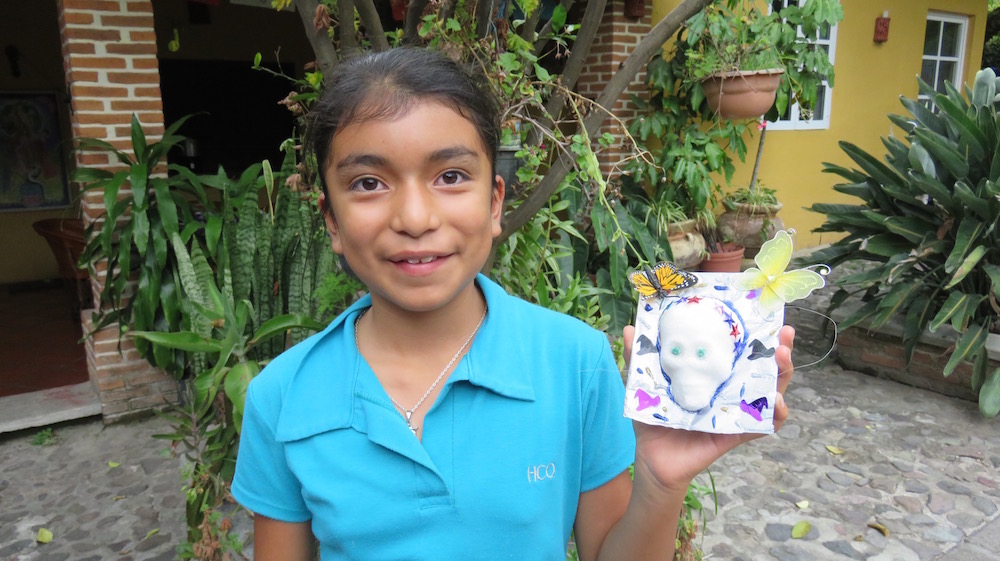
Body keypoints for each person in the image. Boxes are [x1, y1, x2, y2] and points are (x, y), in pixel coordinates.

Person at [231, 47, 796, 561]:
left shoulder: (575, 364)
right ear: (331, 220)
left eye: (451, 176)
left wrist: (661, 483)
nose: (415, 218)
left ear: (495, 203)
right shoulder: (282, 397)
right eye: (368, 183)